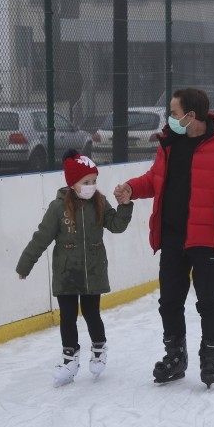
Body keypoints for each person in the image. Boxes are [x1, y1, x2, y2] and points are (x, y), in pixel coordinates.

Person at [114, 88, 214, 388]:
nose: (170, 119)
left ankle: (210, 355)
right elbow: (155, 179)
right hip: (173, 237)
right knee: (169, 302)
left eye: (174, 113)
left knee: (208, 301)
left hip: (207, 239)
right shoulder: (170, 144)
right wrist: (132, 189)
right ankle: (176, 355)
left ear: (191, 115)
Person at [16, 150, 133, 387]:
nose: (91, 186)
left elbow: (117, 225)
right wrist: (25, 264)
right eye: (86, 182)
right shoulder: (58, 208)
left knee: (92, 314)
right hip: (66, 273)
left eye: (94, 181)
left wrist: (125, 206)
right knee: (67, 317)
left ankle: (99, 348)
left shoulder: (99, 202)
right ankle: (69, 359)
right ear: (72, 183)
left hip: (93, 271)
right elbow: (41, 238)